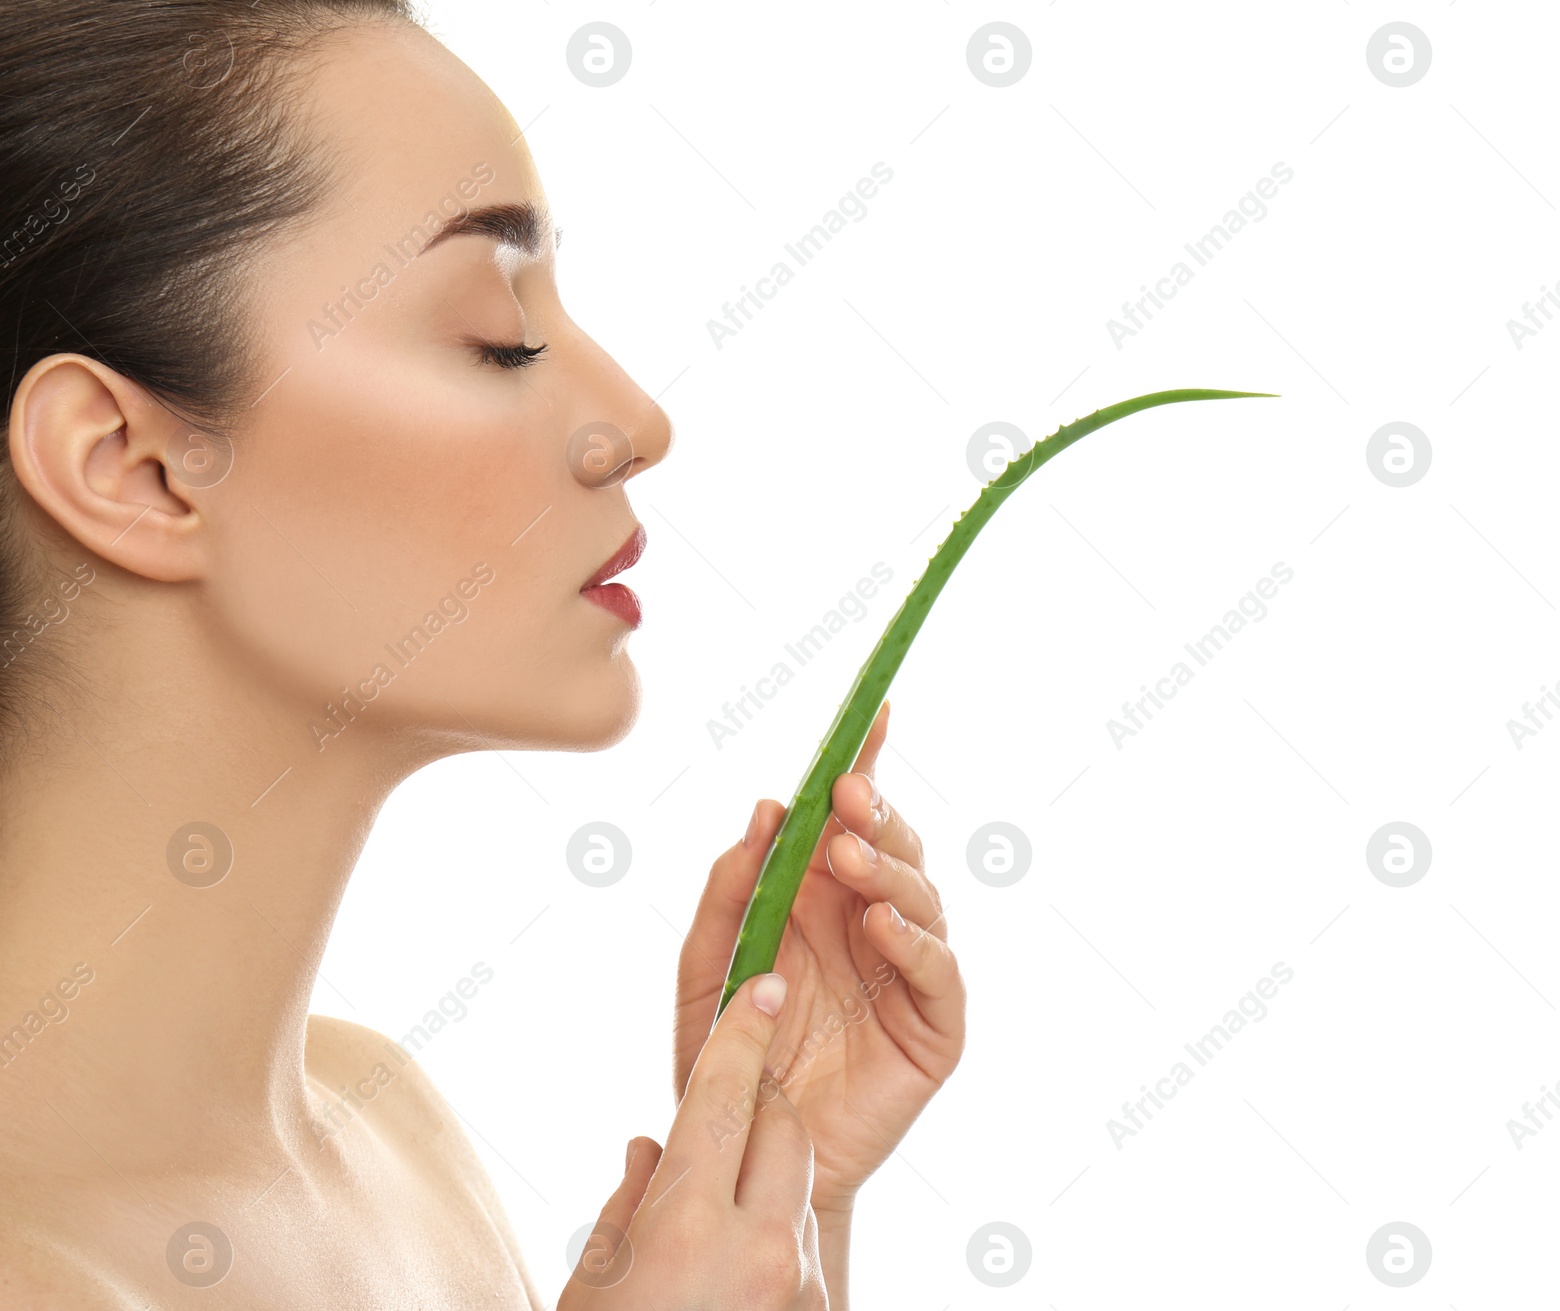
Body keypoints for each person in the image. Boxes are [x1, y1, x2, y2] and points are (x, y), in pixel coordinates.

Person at [0, 2, 966, 1306]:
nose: (633, 421)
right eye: (499, 336)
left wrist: (784, 1199)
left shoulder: (392, 1141)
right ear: (133, 468)